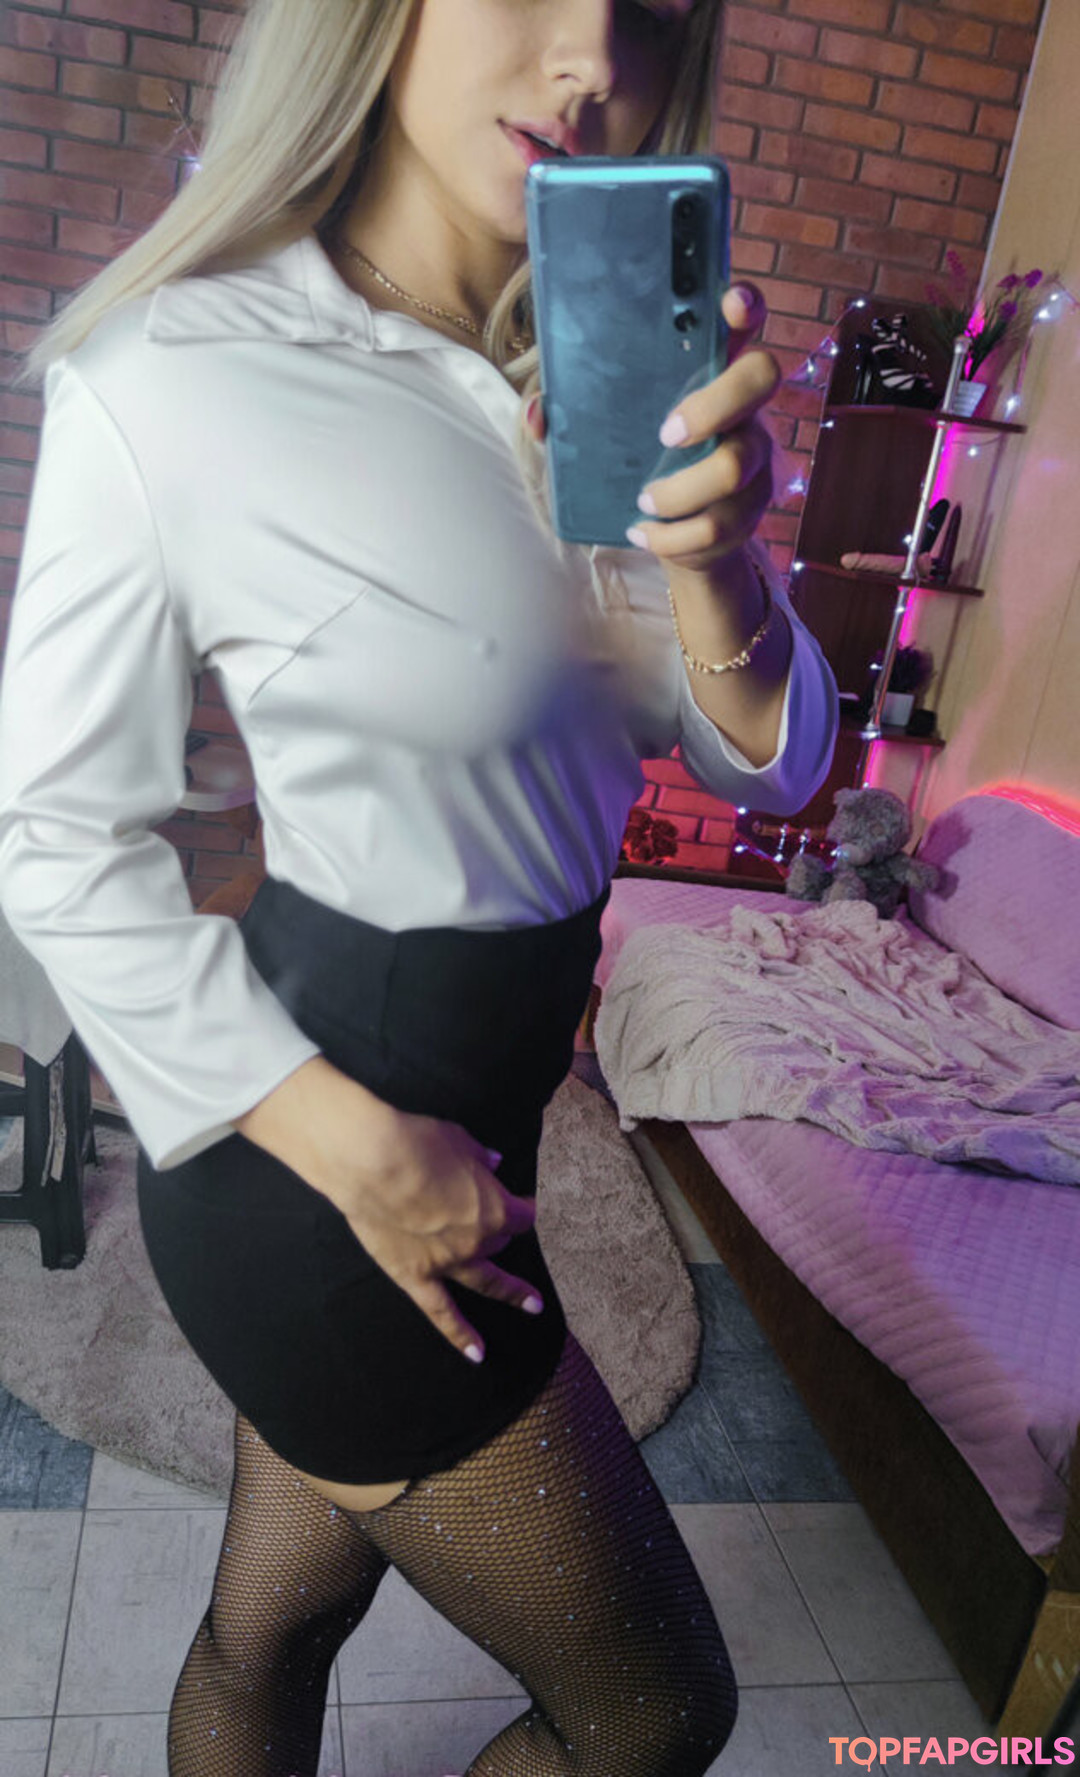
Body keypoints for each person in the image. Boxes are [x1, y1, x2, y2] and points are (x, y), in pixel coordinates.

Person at [0, 0, 839, 1771]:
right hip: (321, 1168)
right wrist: (362, 1154)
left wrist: (725, 567)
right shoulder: (177, 371)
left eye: (648, 6)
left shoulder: (599, 374)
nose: (591, 56)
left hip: (480, 1110)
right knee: (657, 1711)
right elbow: (54, 838)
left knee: (275, 1616)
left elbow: (769, 762)